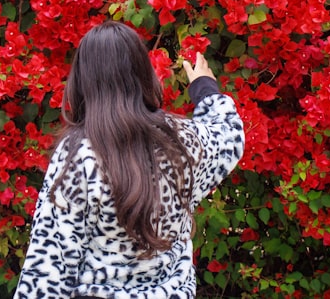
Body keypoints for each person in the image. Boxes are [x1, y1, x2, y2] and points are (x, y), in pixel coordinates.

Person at [13, 21, 246, 299]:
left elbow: (49, 264)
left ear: (83, 80)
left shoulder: (80, 154)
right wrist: (204, 88)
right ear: (143, 73)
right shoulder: (183, 141)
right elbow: (228, 136)